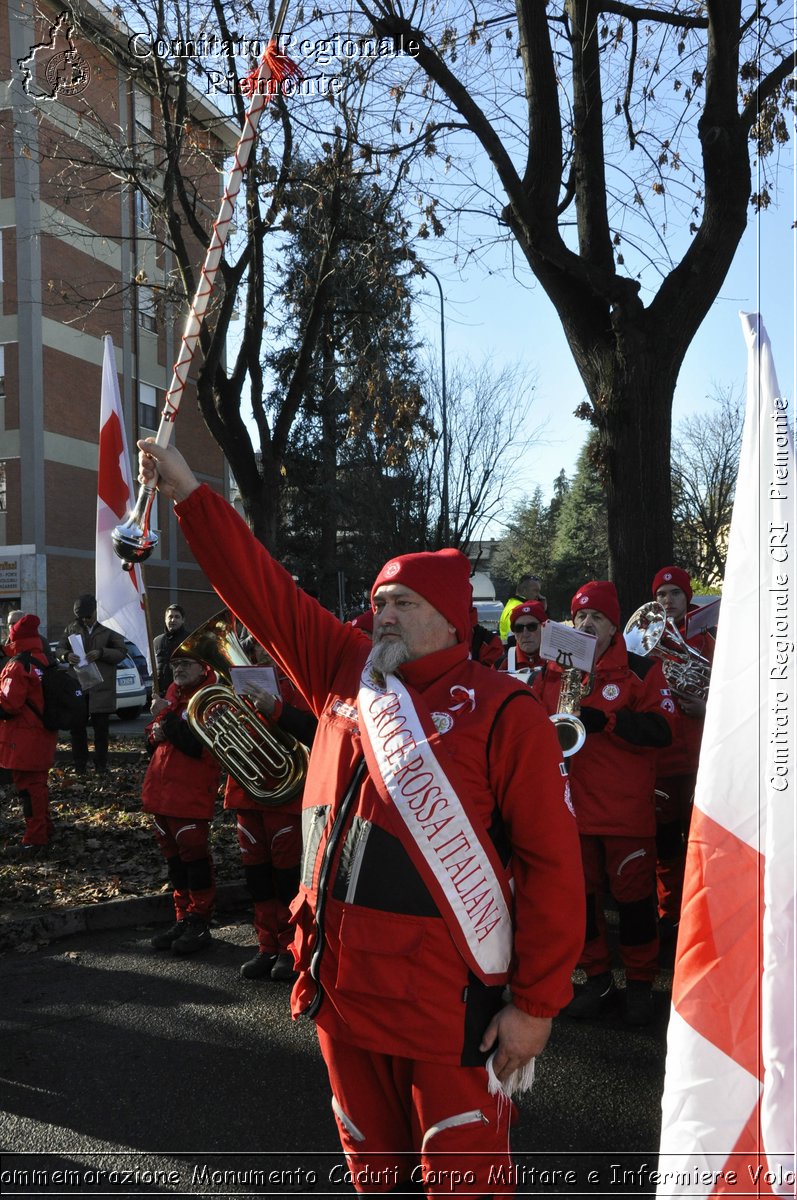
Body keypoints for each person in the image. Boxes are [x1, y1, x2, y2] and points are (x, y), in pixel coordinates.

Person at [138, 438, 584, 1197]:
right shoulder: (345, 671)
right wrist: (188, 494)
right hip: (339, 989)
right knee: (372, 1179)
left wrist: (536, 1008)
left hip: (445, 1008)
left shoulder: (504, 712)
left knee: (462, 1184)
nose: (379, 613)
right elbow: (264, 594)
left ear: (446, 618)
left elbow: (550, 866)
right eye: (376, 601)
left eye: (400, 603)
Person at [534, 581, 676, 1026]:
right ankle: (596, 977)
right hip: (571, 813)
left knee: (634, 904)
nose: (587, 624)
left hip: (623, 813)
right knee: (582, 902)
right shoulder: (552, 674)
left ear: (615, 625)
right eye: (579, 617)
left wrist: (610, 721)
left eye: (597, 617)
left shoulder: (640, 669)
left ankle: (638, 982)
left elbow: (662, 730)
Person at [225, 638, 317, 982]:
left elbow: (312, 730)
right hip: (246, 794)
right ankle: (268, 945)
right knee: (258, 878)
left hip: (285, 798)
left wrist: (276, 708)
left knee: (286, 879)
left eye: (267, 646)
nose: (260, 651)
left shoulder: (300, 685)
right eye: (257, 647)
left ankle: (292, 949)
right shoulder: (237, 686)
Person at [649, 566, 715, 938]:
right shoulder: (645, 644)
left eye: (674, 593)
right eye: (661, 594)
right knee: (665, 844)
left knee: (702, 840)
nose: (668, 600)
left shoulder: (709, 641)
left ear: (687, 597)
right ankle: (669, 914)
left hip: (705, 757)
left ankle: (702, 911)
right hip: (664, 761)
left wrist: (708, 709)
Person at [144, 655, 221, 955]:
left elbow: (195, 745)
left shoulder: (211, 697)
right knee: (175, 861)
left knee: (194, 858)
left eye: (186, 663)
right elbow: (150, 741)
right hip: (161, 792)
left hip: (190, 791)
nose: (178, 669)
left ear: (204, 667)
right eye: (175, 663)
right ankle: (183, 917)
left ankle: (199, 920)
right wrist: (155, 730)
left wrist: (164, 719)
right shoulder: (172, 695)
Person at [0, 615, 58, 852]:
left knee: (28, 789)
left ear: (15, 638)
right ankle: (44, 828)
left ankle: (35, 839)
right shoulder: (43, 659)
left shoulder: (17, 665)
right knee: (38, 785)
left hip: (23, 737)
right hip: (42, 734)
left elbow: (8, 705)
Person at [55, 595, 125, 776]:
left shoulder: (110, 626)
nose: (85, 620)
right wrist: (65, 656)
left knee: (101, 731)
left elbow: (122, 652)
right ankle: (80, 767)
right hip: (79, 686)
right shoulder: (72, 627)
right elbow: (59, 648)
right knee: (77, 729)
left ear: (96, 611)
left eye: (88, 616)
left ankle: (101, 766)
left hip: (101, 686)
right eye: (82, 617)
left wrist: (101, 652)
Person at [499, 601, 547, 677]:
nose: (525, 634)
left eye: (531, 627)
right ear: (514, 633)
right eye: (519, 628)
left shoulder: (559, 661)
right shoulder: (501, 664)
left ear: (544, 628)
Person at [498, 574, 546, 642]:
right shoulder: (521, 609)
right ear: (524, 590)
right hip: (516, 648)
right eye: (535, 591)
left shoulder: (511, 604)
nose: (539, 595)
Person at [153, 604, 187, 694]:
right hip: (161, 695)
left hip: (183, 694)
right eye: (170, 617)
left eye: (177, 617)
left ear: (183, 620)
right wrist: (154, 693)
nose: (173, 620)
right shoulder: (157, 641)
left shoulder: (190, 640)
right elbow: (154, 670)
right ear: (165, 619)